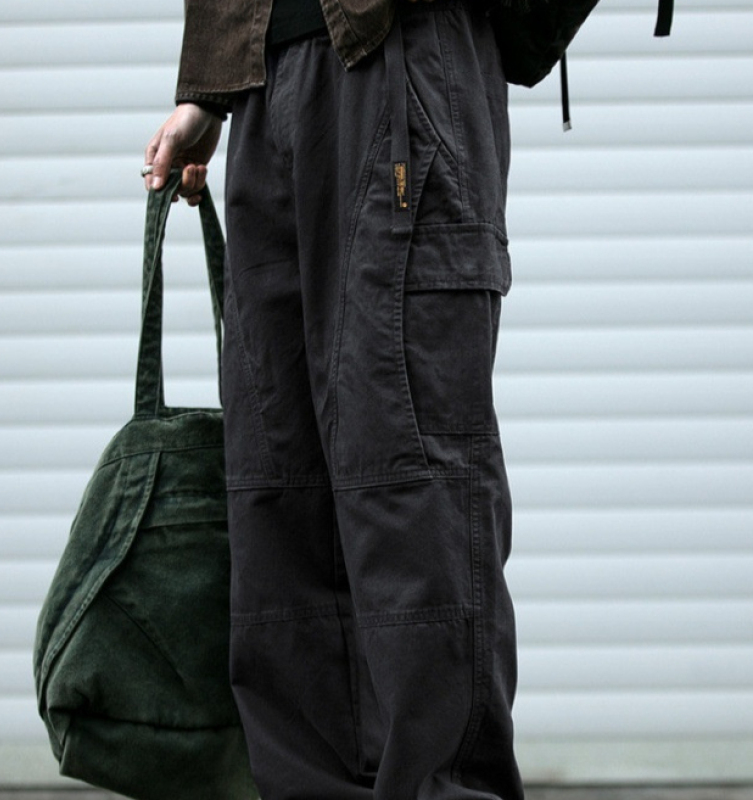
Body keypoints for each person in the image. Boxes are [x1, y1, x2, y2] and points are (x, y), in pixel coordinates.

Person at [144, 0, 523, 797]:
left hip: (398, 57)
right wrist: (209, 86)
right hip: (263, 85)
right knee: (279, 495)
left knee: (409, 483)